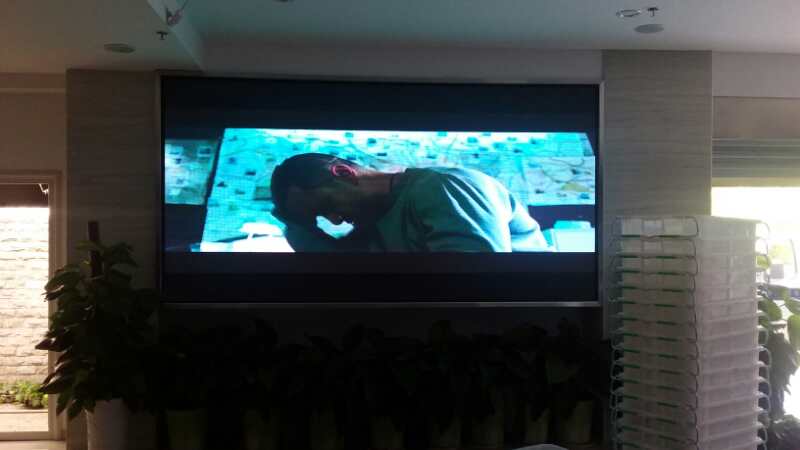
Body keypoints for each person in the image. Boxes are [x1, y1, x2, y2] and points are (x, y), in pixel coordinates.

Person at [269, 153, 550, 252]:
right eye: (321, 218)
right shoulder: (373, 220)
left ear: (344, 173)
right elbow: (337, 269)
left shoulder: (442, 188)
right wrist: (299, 225)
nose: (336, 220)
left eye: (328, 206)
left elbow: (476, 283)